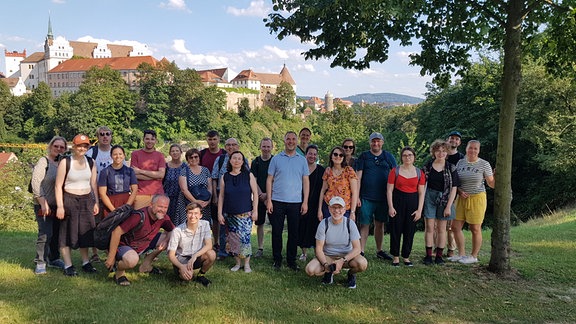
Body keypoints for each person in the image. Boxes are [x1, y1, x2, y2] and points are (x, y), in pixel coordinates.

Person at [104, 194, 175, 286]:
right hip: (124, 246)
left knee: (171, 238)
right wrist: (111, 256)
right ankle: (119, 273)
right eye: (160, 206)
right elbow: (116, 232)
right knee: (132, 260)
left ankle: (146, 265)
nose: (162, 210)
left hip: (143, 244)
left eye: (165, 207)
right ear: (151, 204)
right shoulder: (138, 216)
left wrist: (166, 240)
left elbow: (173, 231)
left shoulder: (164, 217)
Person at [55, 134, 99, 276]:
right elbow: (58, 186)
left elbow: (93, 184)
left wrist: (96, 202)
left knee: (85, 232)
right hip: (69, 199)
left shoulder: (91, 162)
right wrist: (60, 206)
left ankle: (86, 262)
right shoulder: (66, 162)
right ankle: (68, 265)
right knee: (66, 232)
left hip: (87, 200)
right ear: (73, 146)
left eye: (85, 146)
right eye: (79, 145)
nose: (82, 148)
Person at [267, 131, 310, 271]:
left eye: (293, 139)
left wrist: (305, 202)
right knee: (277, 232)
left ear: (296, 141)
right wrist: (269, 200)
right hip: (277, 200)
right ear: (284, 141)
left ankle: (291, 260)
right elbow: (269, 179)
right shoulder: (276, 159)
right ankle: (277, 260)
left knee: (294, 232)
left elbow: (306, 181)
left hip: (296, 201)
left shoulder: (302, 159)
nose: (291, 141)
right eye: (288, 139)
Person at [305, 196, 367, 289]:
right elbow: (318, 249)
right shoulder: (323, 224)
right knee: (310, 270)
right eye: (334, 207)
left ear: (345, 209)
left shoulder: (350, 223)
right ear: (329, 209)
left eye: (339, 208)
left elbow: (357, 248)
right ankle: (328, 272)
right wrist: (325, 265)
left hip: (347, 258)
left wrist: (342, 260)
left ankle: (351, 274)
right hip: (328, 257)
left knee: (362, 263)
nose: (336, 210)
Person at [450, 140, 495, 264]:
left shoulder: (484, 164)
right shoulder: (460, 162)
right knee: (455, 227)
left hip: (477, 198)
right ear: (466, 149)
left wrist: (497, 176)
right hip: (461, 198)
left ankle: (473, 256)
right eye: (471, 148)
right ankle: (461, 254)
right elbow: (456, 181)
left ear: (479, 150)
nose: (473, 151)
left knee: (474, 228)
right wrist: (459, 191)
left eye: (475, 148)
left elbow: (491, 184)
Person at [355, 132, 397, 259]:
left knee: (380, 224)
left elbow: (395, 175)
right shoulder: (364, 156)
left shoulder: (388, 157)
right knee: (364, 224)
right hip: (366, 197)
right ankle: (361, 251)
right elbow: (358, 177)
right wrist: (356, 196)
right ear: (370, 142)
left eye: (378, 141)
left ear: (382, 142)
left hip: (383, 197)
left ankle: (379, 251)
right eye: (373, 141)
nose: (376, 143)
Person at [31, 136, 67, 274]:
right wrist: (43, 202)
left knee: (57, 234)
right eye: (56, 146)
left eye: (62, 147)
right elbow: (36, 183)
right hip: (43, 203)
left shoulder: (63, 163)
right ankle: (40, 261)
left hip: (57, 205)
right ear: (51, 146)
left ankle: (54, 258)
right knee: (46, 234)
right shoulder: (44, 161)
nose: (58, 149)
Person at [218, 151, 259, 273]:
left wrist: (255, 210)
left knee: (245, 239)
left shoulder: (248, 175)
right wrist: (219, 213)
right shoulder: (225, 176)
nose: (236, 160)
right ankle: (237, 263)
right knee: (233, 240)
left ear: (243, 161)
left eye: (239, 158)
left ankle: (246, 264)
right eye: (234, 158)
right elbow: (221, 196)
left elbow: (255, 194)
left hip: (246, 214)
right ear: (230, 161)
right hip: (229, 214)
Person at [386, 147, 426, 267]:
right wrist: (391, 207)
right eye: (405, 155)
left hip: (413, 202)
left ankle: (406, 256)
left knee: (410, 230)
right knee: (396, 230)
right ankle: (396, 256)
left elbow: (421, 193)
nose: (407, 157)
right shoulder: (395, 171)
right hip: (397, 202)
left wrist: (419, 210)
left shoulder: (420, 173)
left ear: (414, 157)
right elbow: (389, 190)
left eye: (410, 155)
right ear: (401, 157)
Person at [422, 140, 459, 265]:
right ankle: (428, 256)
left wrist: (449, 206)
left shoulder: (451, 167)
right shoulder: (428, 166)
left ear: (447, 152)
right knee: (430, 227)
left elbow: (454, 188)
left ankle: (439, 256)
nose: (441, 153)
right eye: (438, 150)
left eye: (443, 151)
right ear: (434, 152)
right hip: (429, 197)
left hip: (445, 198)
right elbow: (422, 185)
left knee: (442, 229)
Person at [212, 138, 249, 260]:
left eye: (233, 145)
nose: (231, 147)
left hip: (238, 198)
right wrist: (215, 196)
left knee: (237, 228)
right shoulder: (220, 159)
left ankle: (237, 252)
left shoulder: (243, 159)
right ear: (225, 146)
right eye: (228, 145)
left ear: (238, 146)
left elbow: (248, 179)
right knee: (223, 226)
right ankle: (222, 252)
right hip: (222, 194)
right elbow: (214, 178)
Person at [167, 202, 215, 286]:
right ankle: (181, 271)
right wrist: (181, 266)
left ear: (200, 215)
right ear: (186, 214)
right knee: (187, 278)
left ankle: (201, 275)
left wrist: (195, 256)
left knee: (211, 254)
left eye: (196, 213)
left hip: (196, 256)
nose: (193, 216)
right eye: (190, 213)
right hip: (182, 258)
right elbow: (171, 255)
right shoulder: (177, 231)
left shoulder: (205, 224)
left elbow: (209, 245)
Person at [86, 126, 115, 262]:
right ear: (97, 137)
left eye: (107, 134)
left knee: (110, 221)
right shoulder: (92, 152)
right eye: (101, 134)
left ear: (111, 136)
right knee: (94, 223)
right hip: (94, 193)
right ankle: (94, 253)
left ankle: (111, 250)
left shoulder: (115, 151)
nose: (105, 136)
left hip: (111, 193)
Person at [298, 145, 325, 261]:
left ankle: (317, 254)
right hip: (301, 202)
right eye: (310, 153)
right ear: (306, 155)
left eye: (314, 154)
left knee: (315, 229)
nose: (312, 156)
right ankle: (303, 253)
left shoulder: (321, 170)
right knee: (302, 228)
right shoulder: (300, 168)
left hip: (316, 205)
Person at [199, 130, 225, 250]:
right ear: (206, 140)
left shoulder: (224, 154)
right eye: (210, 139)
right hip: (202, 191)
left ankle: (221, 242)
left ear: (219, 139)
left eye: (214, 139)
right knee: (203, 218)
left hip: (220, 190)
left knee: (218, 219)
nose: (212, 142)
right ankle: (213, 243)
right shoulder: (202, 154)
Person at [318, 146, 358, 221]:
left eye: (341, 155)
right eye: (335, 154)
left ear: (343, 157)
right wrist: (319, 210)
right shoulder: (328, 170)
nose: (338, 157)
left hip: (344, 209)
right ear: (331, 156)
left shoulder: (349, 171)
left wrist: (353, 212)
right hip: (328, 207)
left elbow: (354, 192)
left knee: (344, 231)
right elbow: (322, 191)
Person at [98, 145, 138, 217]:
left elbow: (134, 190)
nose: (118, 156)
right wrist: (113, 210)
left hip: (126, 202)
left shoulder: (130, 171)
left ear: (124, 155)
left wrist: (127, 206)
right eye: (115, 154)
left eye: (120, 154)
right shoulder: (105, 172)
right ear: (111, 156)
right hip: (111, 203)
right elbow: (102, 193)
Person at [250, 137, 274, 258]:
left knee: (275, 224)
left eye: (268, 146)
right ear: (260, 147)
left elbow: (277, 180)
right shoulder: (256, 162)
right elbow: (253, 180)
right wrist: (261, 195)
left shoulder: (275, 161)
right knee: (259, 224)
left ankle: (276, 248)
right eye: (264, 146)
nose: (266, 149)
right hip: (259, 197)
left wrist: (268, 196)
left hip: (273, 197)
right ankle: (260, 248)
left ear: (272, 147)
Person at [131, 130, 166, 210]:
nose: (149, 141)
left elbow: (161, 175)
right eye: (147, 139)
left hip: (158, 194)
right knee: (140, 219)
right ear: (143, 139)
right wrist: (155, 176)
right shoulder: (135, 154)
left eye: (152, 139)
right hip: (140, 194)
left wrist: (140, 171)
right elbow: (134, 175)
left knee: (158, 220)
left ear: (156, 141)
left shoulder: (160, 155)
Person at [176, 148, 212, 226]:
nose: (194, 159)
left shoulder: (206, 170)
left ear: (199, 158)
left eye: (196, 157)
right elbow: (184, 189)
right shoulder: (184, 171)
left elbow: (210, 187)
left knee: (202, 227)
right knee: (188, 227)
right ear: (187, 159)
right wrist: (195, 201)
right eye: (191, 157)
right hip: (188, 203)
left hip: (204, 204)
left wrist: (208, 200)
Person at [444, 130, 464, 257]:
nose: (454, 141)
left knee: (451, 223)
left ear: (459, 142)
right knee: (436, 223)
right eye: (452, 138)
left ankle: (451, 249)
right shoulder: (441, 154)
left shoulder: (462, 158)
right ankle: (437, 247)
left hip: (455, 193)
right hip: (440, 192)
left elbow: (462, 177)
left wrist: (460, 190)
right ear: (447, 139)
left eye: (457, 139)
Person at [163, 144, 187, 220]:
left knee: (180, 221)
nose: (175, 153)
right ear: (169, 153)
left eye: (177, 151)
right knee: (166, 221)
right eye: (172, 151)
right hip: (167, 198)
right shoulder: (165, 166)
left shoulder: (185, 166)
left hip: (181, 199)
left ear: (181, 152)